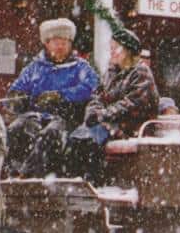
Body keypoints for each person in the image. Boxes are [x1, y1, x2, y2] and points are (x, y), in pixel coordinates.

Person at [4, 18, 99, 177]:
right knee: (15, 129)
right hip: (36, 116)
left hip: (67, 118)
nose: (61, 46)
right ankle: (9, 172)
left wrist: (61, 95)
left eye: (65, 42)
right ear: (47, 44)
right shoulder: (34, 68)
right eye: (56, 42)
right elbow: (18, 88)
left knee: (50, 134)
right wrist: (16, 97)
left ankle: (29, 177)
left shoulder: (81, 67)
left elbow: (89, 88)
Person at [65, 28, 159, 182]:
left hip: (130, 126)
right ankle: (75, 180)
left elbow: (131, 104)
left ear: (128, 51)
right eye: (111, 48)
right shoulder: (111, 72)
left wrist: (102, 115)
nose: (112, 52)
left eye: (116, 48)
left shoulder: (141, 73)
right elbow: (97, 96)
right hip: (109, 123)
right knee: (76, 138)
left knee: (91, 140)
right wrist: (93, 112)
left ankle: (94, 181)